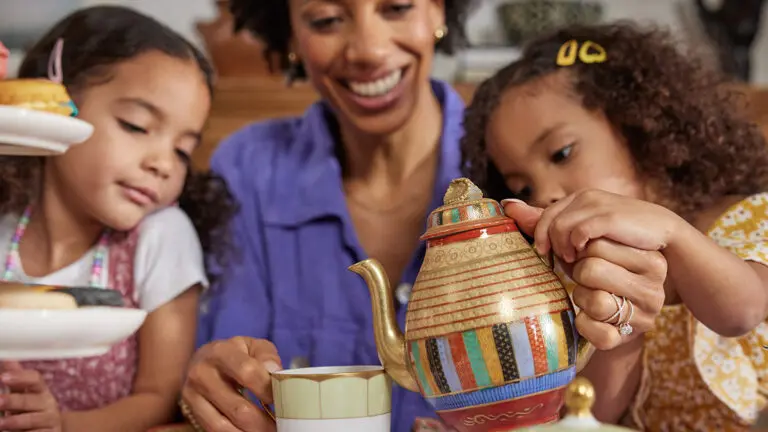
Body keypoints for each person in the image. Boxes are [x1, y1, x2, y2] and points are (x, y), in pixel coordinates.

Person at [179, 2, 666, 432]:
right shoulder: (250, 169)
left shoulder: (510, 156)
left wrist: (618, 320)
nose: (368, 50)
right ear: (289, 31)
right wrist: (208, 388)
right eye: (326, 19)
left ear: (439, 10)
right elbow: (225, 364)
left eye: (396, 8)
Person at [461, 22, 768, 431]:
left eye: (561, 153)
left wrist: (671, 230)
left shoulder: (753, 217)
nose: (545, 193)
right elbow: (591, 414)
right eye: (524, 188)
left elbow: (743, 311)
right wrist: (617, 323)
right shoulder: (575, 281)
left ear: (635, 121)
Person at [0, 6, 235, 432]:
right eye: (136, 125)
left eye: (183, 151)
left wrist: (63, 425)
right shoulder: (5, 224)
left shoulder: (160, 237)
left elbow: (160, 398)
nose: (164, 164)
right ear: (55, 105)